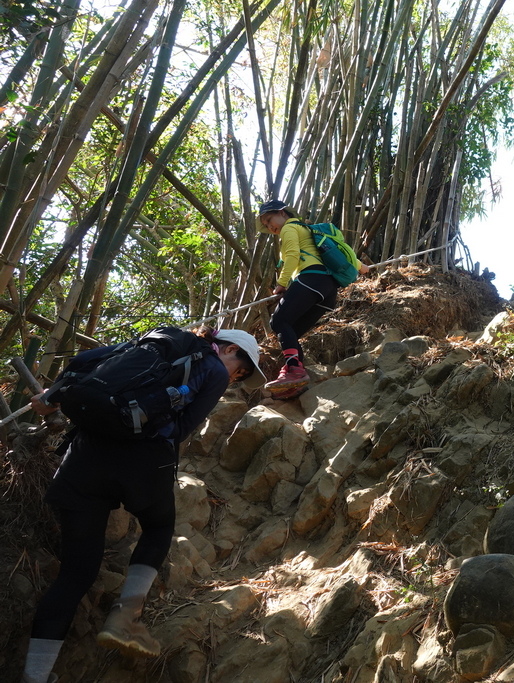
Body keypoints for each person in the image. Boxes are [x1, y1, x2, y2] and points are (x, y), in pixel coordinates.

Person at [21, 327, 265, 683]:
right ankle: (125, 618)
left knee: (75, 575)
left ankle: (34, 676)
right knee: (159, 527)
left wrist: (53, 396)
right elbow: (181, 429)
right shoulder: (212, 368)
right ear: (228, 349)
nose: (234, 378)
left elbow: (86, 361)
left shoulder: (153, 341)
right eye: (239, 370)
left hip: (84, 457)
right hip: (143, 462)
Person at [258, 199, 368, 399]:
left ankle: (294, 371)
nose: (269, 226)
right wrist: (362, 267)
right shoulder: (309, 230)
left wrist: (281, 284)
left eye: (269, 219)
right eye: (266, 225)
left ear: (282, 213)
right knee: (291, 331)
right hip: (328, 292)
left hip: (311, 279)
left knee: (279, 321)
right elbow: (341, 253)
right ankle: (296, 381)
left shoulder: (289, 229)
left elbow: (292, 255)